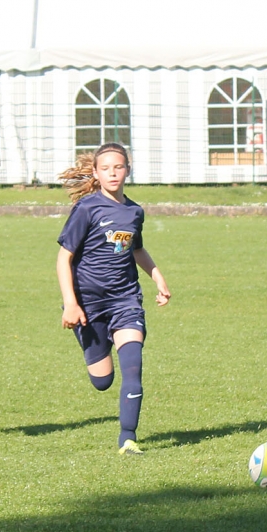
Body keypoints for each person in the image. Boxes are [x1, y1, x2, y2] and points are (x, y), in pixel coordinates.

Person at [56, 143, 171, 455]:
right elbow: (64, 258)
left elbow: (136, 249)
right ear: (95, 173)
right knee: (102, 381)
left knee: (133, 366)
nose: (112, 173)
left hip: (125, 299)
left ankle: (128, 439)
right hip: (88, 304)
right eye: (105, 168)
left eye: (118, 167)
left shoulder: (134, 211)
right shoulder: (86, 209)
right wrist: (71, 303)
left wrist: (157, 277)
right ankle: (96, 343)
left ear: (127, 170)